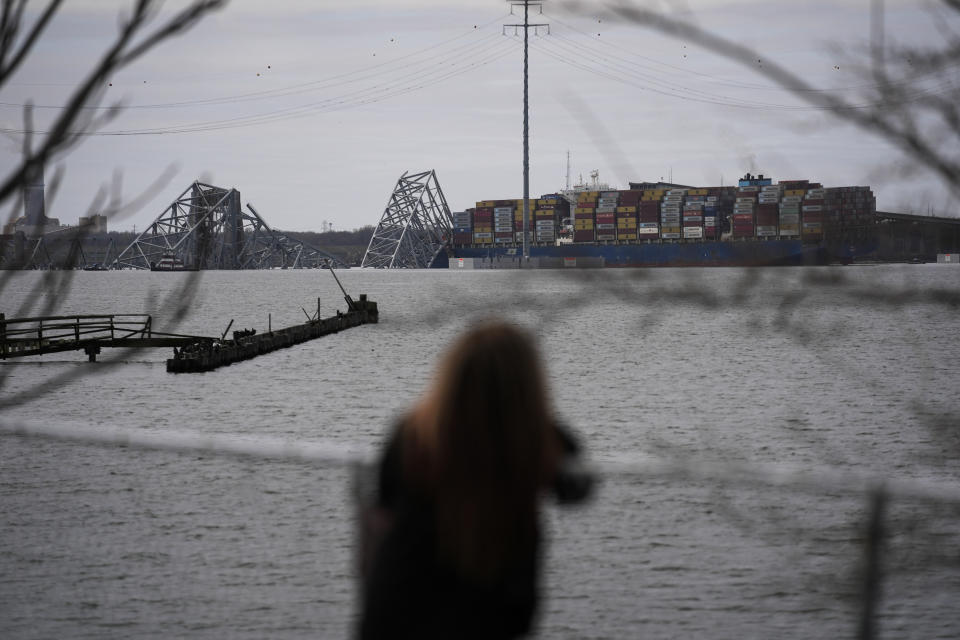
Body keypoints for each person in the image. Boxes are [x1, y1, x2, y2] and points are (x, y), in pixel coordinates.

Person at [358, 321, 592, 639]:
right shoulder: (532, 443)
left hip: (397, 612)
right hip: (492, 613)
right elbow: (578, 487)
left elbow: (383, 500)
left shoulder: (413, 434)